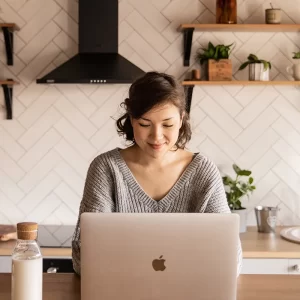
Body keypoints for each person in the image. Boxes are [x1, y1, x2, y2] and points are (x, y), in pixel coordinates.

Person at [72, 71, 242, 276]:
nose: (157, 136)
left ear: (181, 120)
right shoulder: (106, 169)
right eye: (145, 124)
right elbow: (84, 258)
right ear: (132, 120)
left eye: (168, 124)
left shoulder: (202, 171)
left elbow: (229, 258)